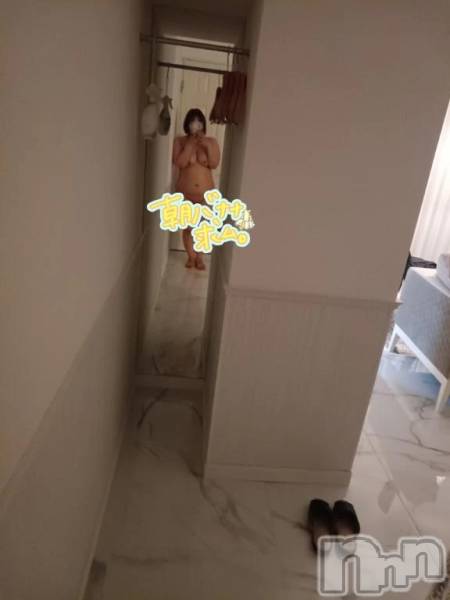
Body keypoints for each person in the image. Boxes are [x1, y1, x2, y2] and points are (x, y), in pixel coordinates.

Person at [172, 108, 221, 270]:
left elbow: (214, 163)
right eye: (192, 121)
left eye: (199, 121)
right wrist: (190, 145)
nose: (196, 124)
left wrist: (205, 145)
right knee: (188, 228)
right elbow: (180, 163)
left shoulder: (211, 141)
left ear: (203, 124)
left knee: (204, 228)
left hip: (206, 195)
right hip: (186, 194)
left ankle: (200, 258)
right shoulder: (180, 141)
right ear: (187, 124)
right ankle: (191, 257)